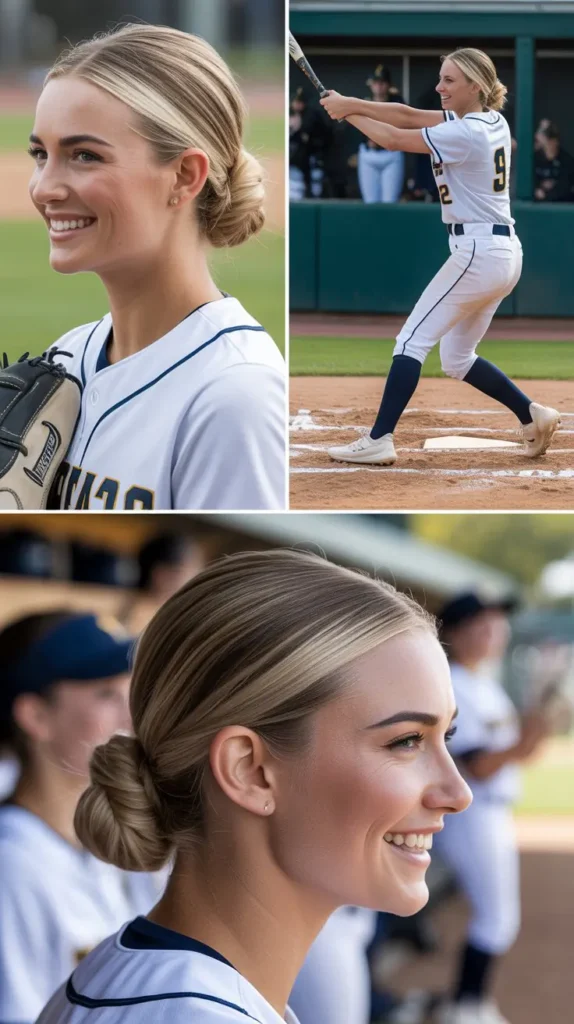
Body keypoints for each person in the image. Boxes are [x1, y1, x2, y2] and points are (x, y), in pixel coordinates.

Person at [37, 549, 471, 1023]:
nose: (457, 793)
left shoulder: (141, 979)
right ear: (249, 770)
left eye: (444, 736)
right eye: (406, 741)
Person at [27, 23, 285, 511]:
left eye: (84, 155)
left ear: (185, 176)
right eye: (41, 154)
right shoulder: (65, 356)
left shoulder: (233, 393)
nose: (45, 187)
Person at [320, 48, 560, 467]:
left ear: (477, 86)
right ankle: (531, 414)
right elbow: (408, 115)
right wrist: (350, 105)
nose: (440, 87)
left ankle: (379, 438)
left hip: (478, 251)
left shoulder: (466, 134)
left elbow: (393, 138)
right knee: (456, 358)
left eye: (450, 80)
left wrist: (346, 111)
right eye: (441, 77)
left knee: (411, 341)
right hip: (503, 252)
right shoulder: (492, 122)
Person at [0, 611, 165, 1023]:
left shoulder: (98, 841)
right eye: (107, 695)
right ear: (36, 716)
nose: (130, 716)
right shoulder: (12, 865)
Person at [430, 592, 552, 1024]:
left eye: (498, 623)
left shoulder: (482, 681)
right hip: (472, 811)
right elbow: (478, 765)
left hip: (492, 811)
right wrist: (521, 744)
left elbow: (510, 755)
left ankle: (469, 1003)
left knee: (497, 916)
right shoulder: (451, 681)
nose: (495, 631)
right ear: (456, 633)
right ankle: (465, 1007)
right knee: (496, 918)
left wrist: (533, 735)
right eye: (482, 624)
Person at [357, 65, 405, 204]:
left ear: (388, 85)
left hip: (391, 154)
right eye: (376, 82)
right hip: (369, 154)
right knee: (370, 202)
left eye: (382, 83)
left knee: (389, 202)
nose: (378, 86)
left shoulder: (397, 102)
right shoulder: (364, 101)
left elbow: (404, 125)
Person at [534, 121, 574, 202]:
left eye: (551, 139)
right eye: (547, 139)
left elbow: (565, 187)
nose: (549, 143)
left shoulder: (566, 160)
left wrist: (546, 194)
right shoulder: (535, 158)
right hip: (537, 206)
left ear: (556, 141)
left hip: (560, 206)